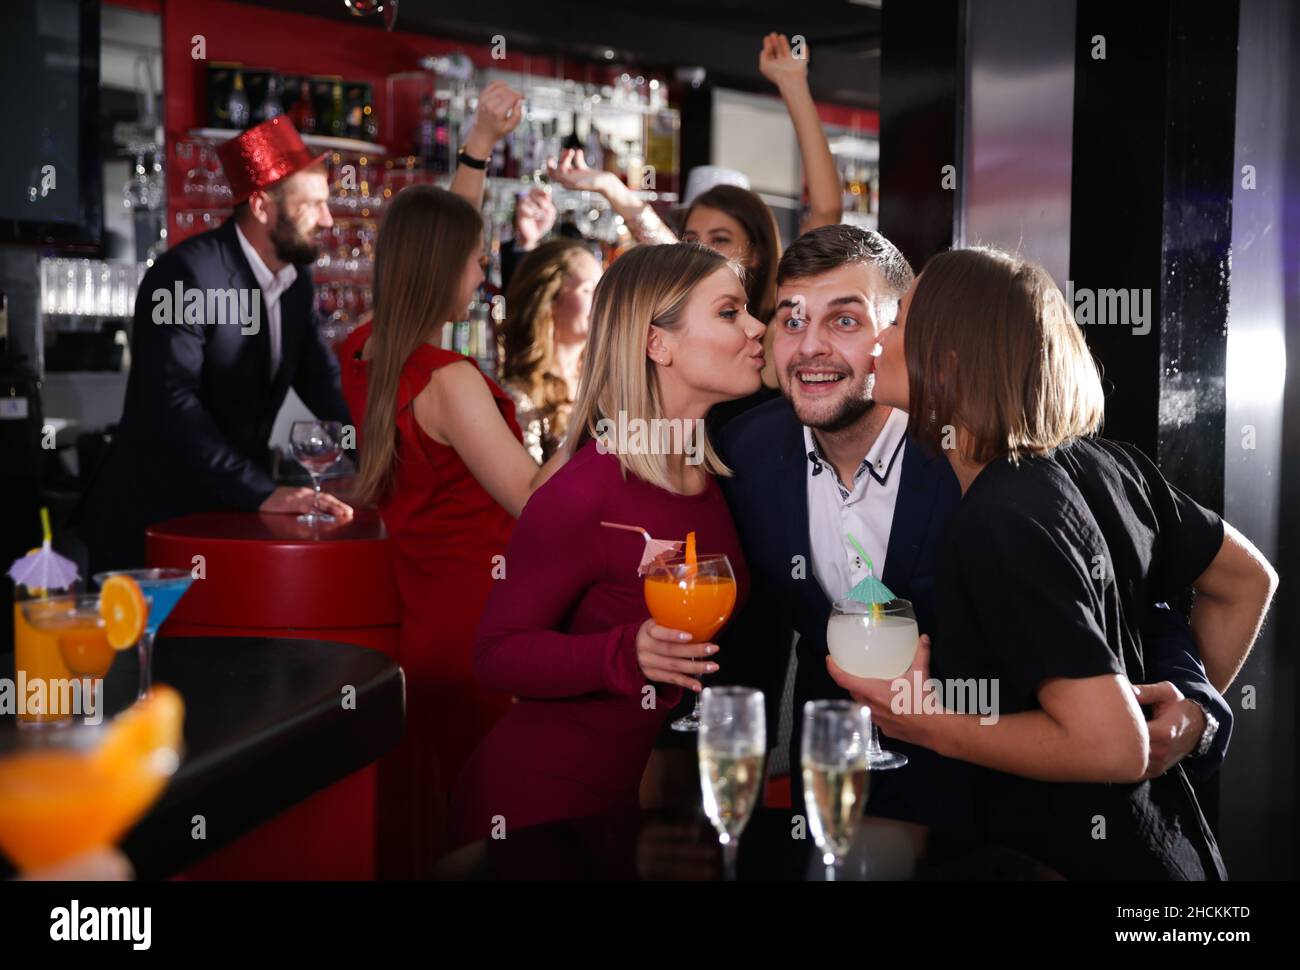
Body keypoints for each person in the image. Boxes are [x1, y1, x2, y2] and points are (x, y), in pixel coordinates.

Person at [717, 226, 1236, 837]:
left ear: (902, 335)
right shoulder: (744, 452)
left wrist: (1194, 711)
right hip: (837, 787)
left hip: (991, 812)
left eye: (847, 321)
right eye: (792, 320)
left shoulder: (984, 455)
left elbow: (1139, 599)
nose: (811, 348)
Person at [827, 246, 1277, 879]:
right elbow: (1248, 582)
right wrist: (1185, 710)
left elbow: (1112, 747)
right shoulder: (1104, 464)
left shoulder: (1000, 513)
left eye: (898, 321)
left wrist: (928, 724)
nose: (879, 337)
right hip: (1168, 854)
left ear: (949, 363)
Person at [447, 243, 766, 849]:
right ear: (657, 344)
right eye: (730, 313)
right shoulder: (586, 491)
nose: (757, 328)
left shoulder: (706, 476)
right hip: (535, 809)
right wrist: (626, 653)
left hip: (616, 808)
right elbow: (494, 653)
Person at [339, 80, 566, 876]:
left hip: (426, 628)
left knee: (446, 816)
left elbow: (443, 235)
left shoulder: (367, 356)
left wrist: (478, 143)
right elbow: (537, 504)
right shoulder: (450, 380)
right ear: (449, 271)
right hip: (485, 630)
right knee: (487, 829)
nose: (483, 276)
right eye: (477, 263)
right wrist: (607, 417)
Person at [79, 117, 353, 573]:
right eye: (314, 206)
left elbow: (322, 382)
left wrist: (366, 459)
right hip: (154, 517)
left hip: (229, 513)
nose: (328, 220)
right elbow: (172, 403)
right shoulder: (184, 276)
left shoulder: (296, 281)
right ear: (262, 206)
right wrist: (263, 491)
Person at [498, 238, 602, 462]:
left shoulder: (606, 379)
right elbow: (528, 492)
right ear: (550, 302)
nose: (603, 300)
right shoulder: (520, 395)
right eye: (588, 290)